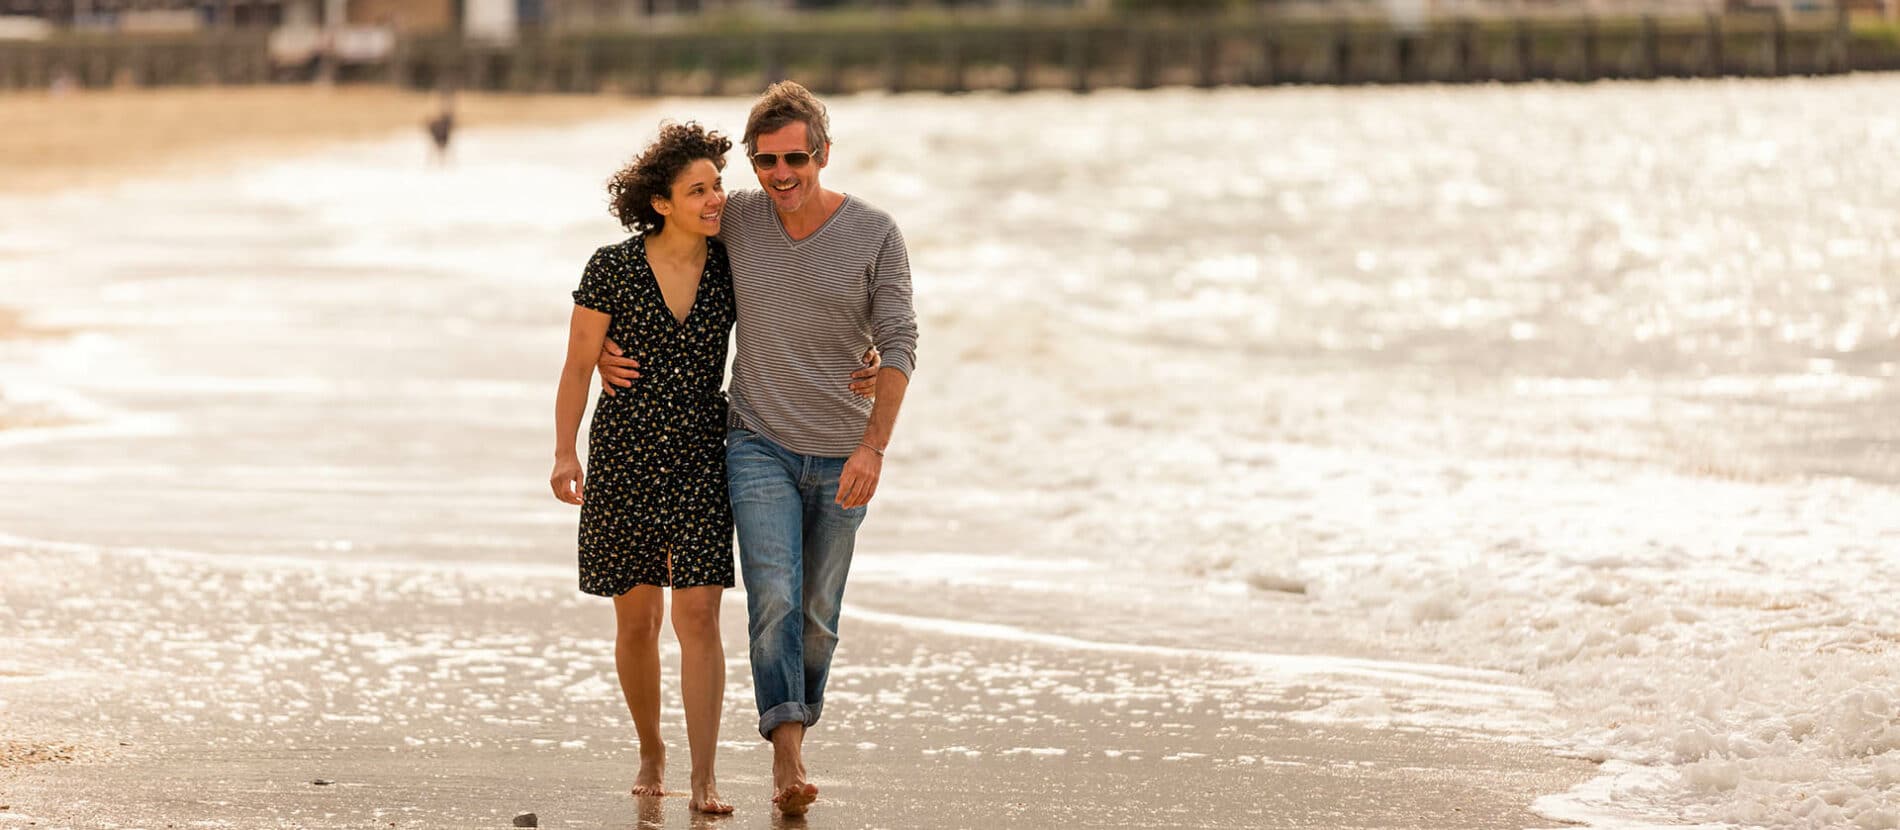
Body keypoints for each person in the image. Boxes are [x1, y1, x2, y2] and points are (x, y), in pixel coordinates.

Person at [597, 81, 919, 817]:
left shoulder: (875, 233)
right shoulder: (735, 217)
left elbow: (899, 340)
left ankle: (792, 731)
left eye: (796, 159)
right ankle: (787, 752)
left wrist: (876, 447)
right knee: (773, 597)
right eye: (766, 160)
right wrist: (606, 344)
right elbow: (656, 239)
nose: (781, 174)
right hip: (755, 441)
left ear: (824, 154)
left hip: (843, 450)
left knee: (816, 615)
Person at [550, 122, 739, 815]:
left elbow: (790, 317)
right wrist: (565, 450)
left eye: (717, 185)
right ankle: (652, 748)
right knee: (637, 621)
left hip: (699, 453)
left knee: (699, 613)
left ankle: (704, 777)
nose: (715, 198)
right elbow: (576, 365)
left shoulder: (731, 264)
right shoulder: (612, 268)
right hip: (625, 454)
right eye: (699, 189)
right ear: (661, 202)